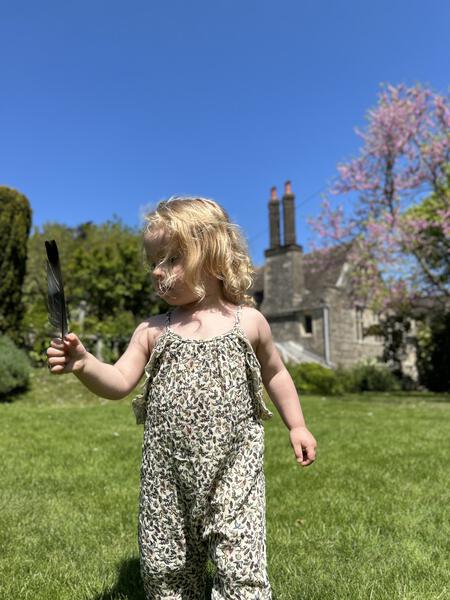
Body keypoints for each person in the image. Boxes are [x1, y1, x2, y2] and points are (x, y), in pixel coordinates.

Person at [46, 196, 317, 599]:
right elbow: (120, 380)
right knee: (165, 567)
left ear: (211, 255)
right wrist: (84, 363)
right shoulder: (152, 331)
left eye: (171, 259)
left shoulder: (249, 323)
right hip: (166, 475)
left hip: (234, 469)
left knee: (241, 567)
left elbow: (276, 372)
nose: (158, 271)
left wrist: (297, 424)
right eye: (154, 261)